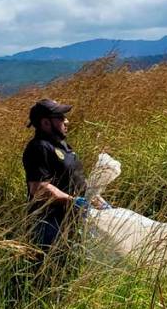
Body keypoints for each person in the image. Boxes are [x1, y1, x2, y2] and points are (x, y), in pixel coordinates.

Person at [21, 98, 106, 251]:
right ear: (45, 123)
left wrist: (95, 198)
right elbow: (39, 188)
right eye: (60, 118)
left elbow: (75, 178)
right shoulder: (38, 147)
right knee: (60, 266)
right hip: (51, 223)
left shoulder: (63, 146)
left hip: (74, 217)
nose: (66, 121)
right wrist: (74, 201)